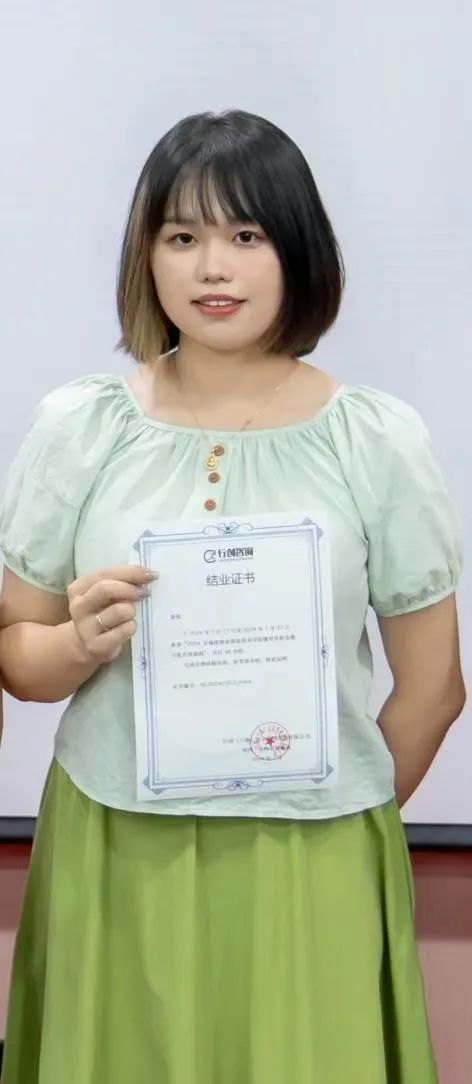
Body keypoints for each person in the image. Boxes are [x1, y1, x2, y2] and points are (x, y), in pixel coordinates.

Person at [0, 110, 465, 1084]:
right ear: (147, 257)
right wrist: (77, 644)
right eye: (182, 236)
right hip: (117, 845)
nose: (213, 267)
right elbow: (19, 657)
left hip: (310, 859)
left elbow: (433, 688)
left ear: (298, 249)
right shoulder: (80, 428)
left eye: (246, 234)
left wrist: (338, 815)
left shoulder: (376, 439)